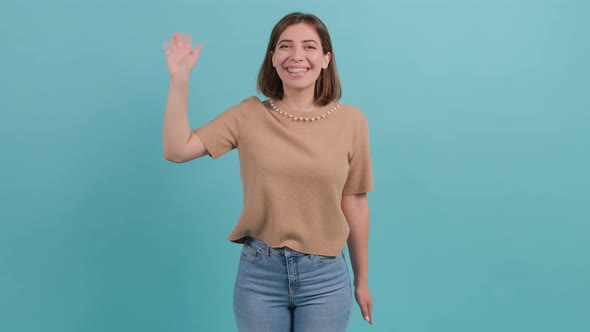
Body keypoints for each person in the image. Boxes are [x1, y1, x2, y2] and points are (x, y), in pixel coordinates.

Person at [162, 12, 374, 332]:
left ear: (326, 59)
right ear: (273, 58)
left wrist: (362, 281)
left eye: (310, 47)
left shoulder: (352, 122)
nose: (297, 55)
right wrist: (179, 82)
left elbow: (355, 204)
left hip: (325, 276)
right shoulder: (249, 114)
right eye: (285, 46)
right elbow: (177, 150)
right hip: (260, 274)